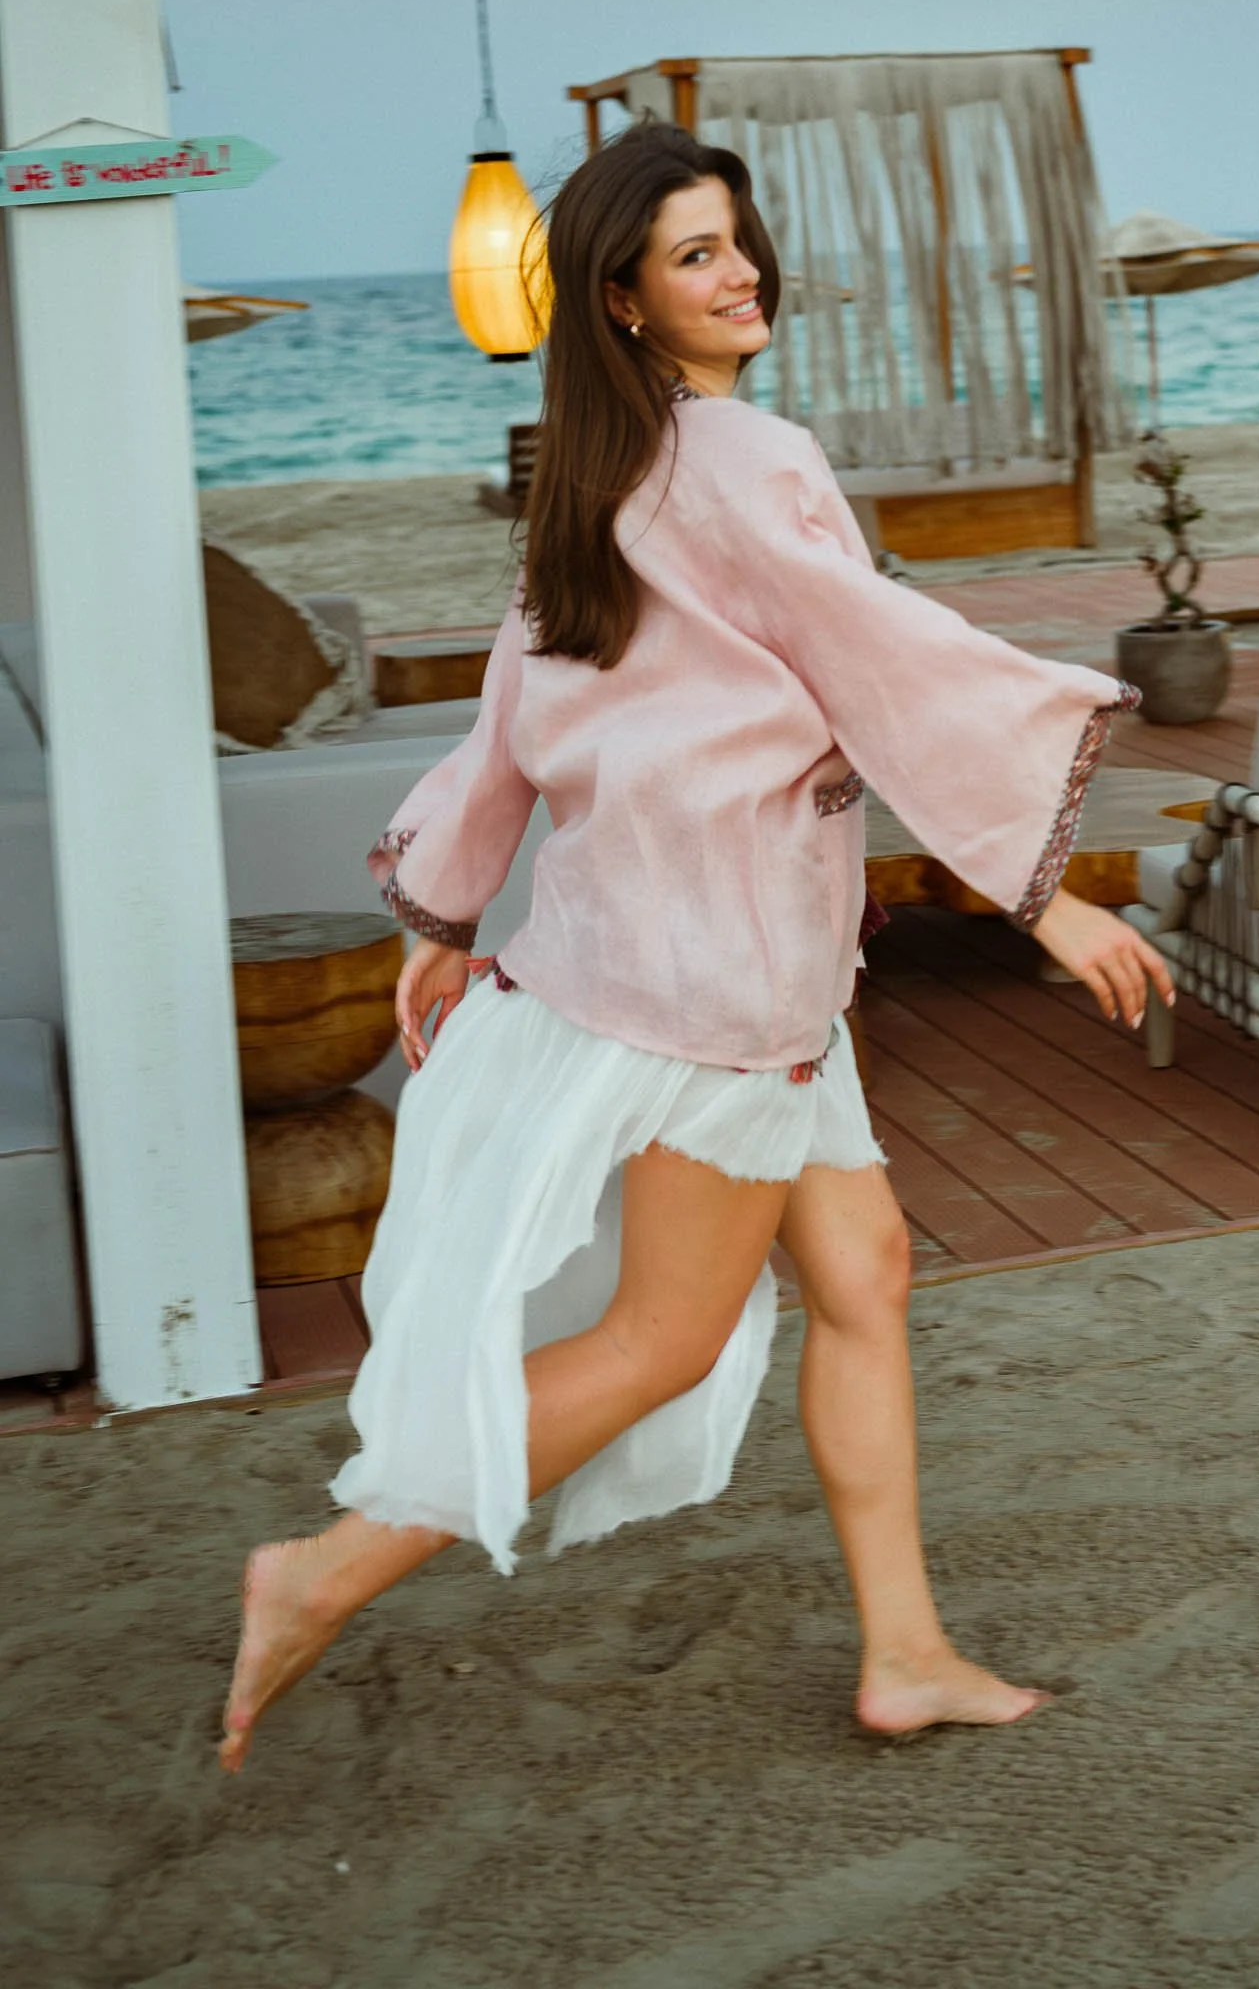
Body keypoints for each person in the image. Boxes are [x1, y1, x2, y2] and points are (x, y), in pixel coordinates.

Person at [219, 120, 1173, 1774]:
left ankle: (906, 1653)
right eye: (693, 256)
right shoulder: (748, 459)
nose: (738, 276)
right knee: (662, 1341)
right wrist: (1047, 890)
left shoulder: (592, 481)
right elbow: (890, 662)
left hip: (702, 951)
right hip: (731, 978)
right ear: (623, 299)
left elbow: (519, 713)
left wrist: (449, 911)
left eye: (737, 242)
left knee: (863, 1276)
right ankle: (323, 1572)